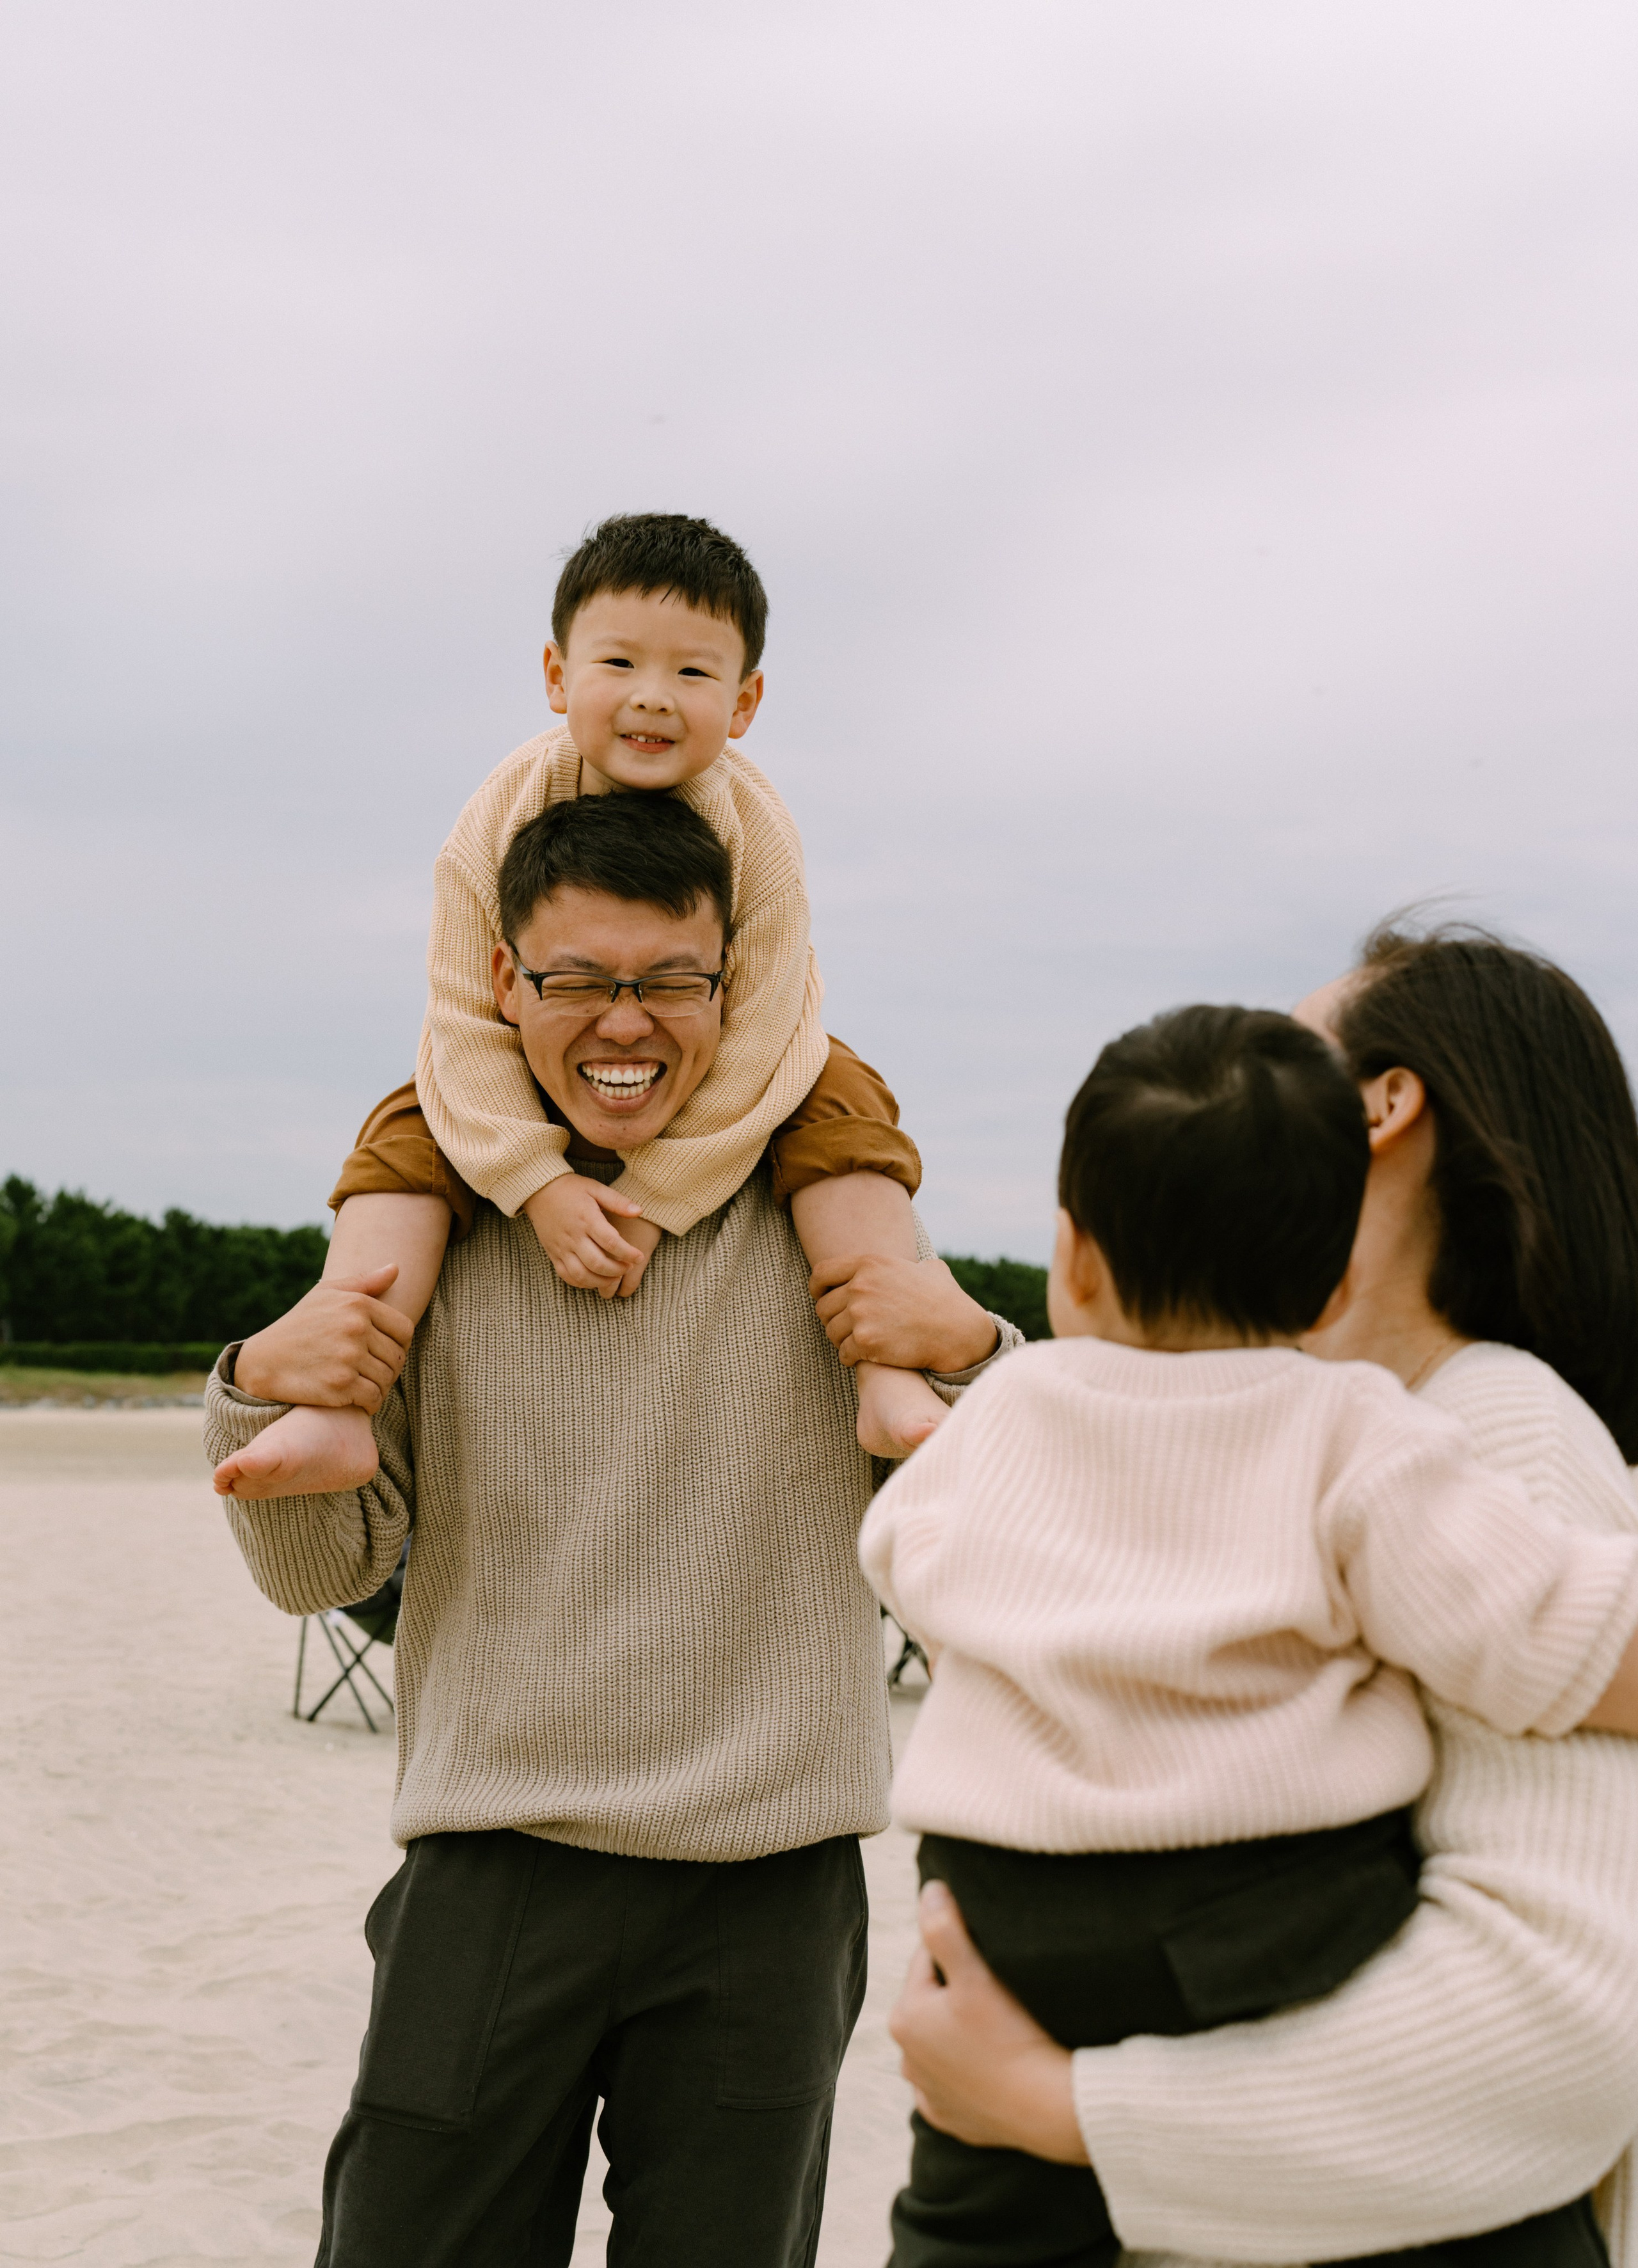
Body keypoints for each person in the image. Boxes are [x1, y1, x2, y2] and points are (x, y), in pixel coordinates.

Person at [202, 792, 1021, 2268]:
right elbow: (325, 1572)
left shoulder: (827, 1212)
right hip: (488, 1865)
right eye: (577, 980)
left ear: (732, 985)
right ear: (503, 984)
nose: (622, 1024)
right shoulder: (435, 1210)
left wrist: (980, 1349)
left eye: (666, 982)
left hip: (767, 1889)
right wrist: (262, 1390)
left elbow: (1004, 1556)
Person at [888, 923, 1638, 2268]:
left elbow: (1556, 2034)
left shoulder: (1492, 1432)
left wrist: (1058, 2108)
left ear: (1382, 1110)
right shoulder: (1354, 1433)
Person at [218, 512, 947, 1503]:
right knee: (408, 1124)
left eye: (694, 674)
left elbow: (762, 1024)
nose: (653, 697)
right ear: (559, 677)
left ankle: (889, 1367)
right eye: (620, 663)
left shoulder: (761, 835)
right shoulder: (502, 808)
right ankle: (335, 1405)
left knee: (841, 1100)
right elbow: (465, 1013)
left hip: (749, 1057)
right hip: (519, 1058)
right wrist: (534, 1182)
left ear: (746, 701)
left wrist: (654, 1200)